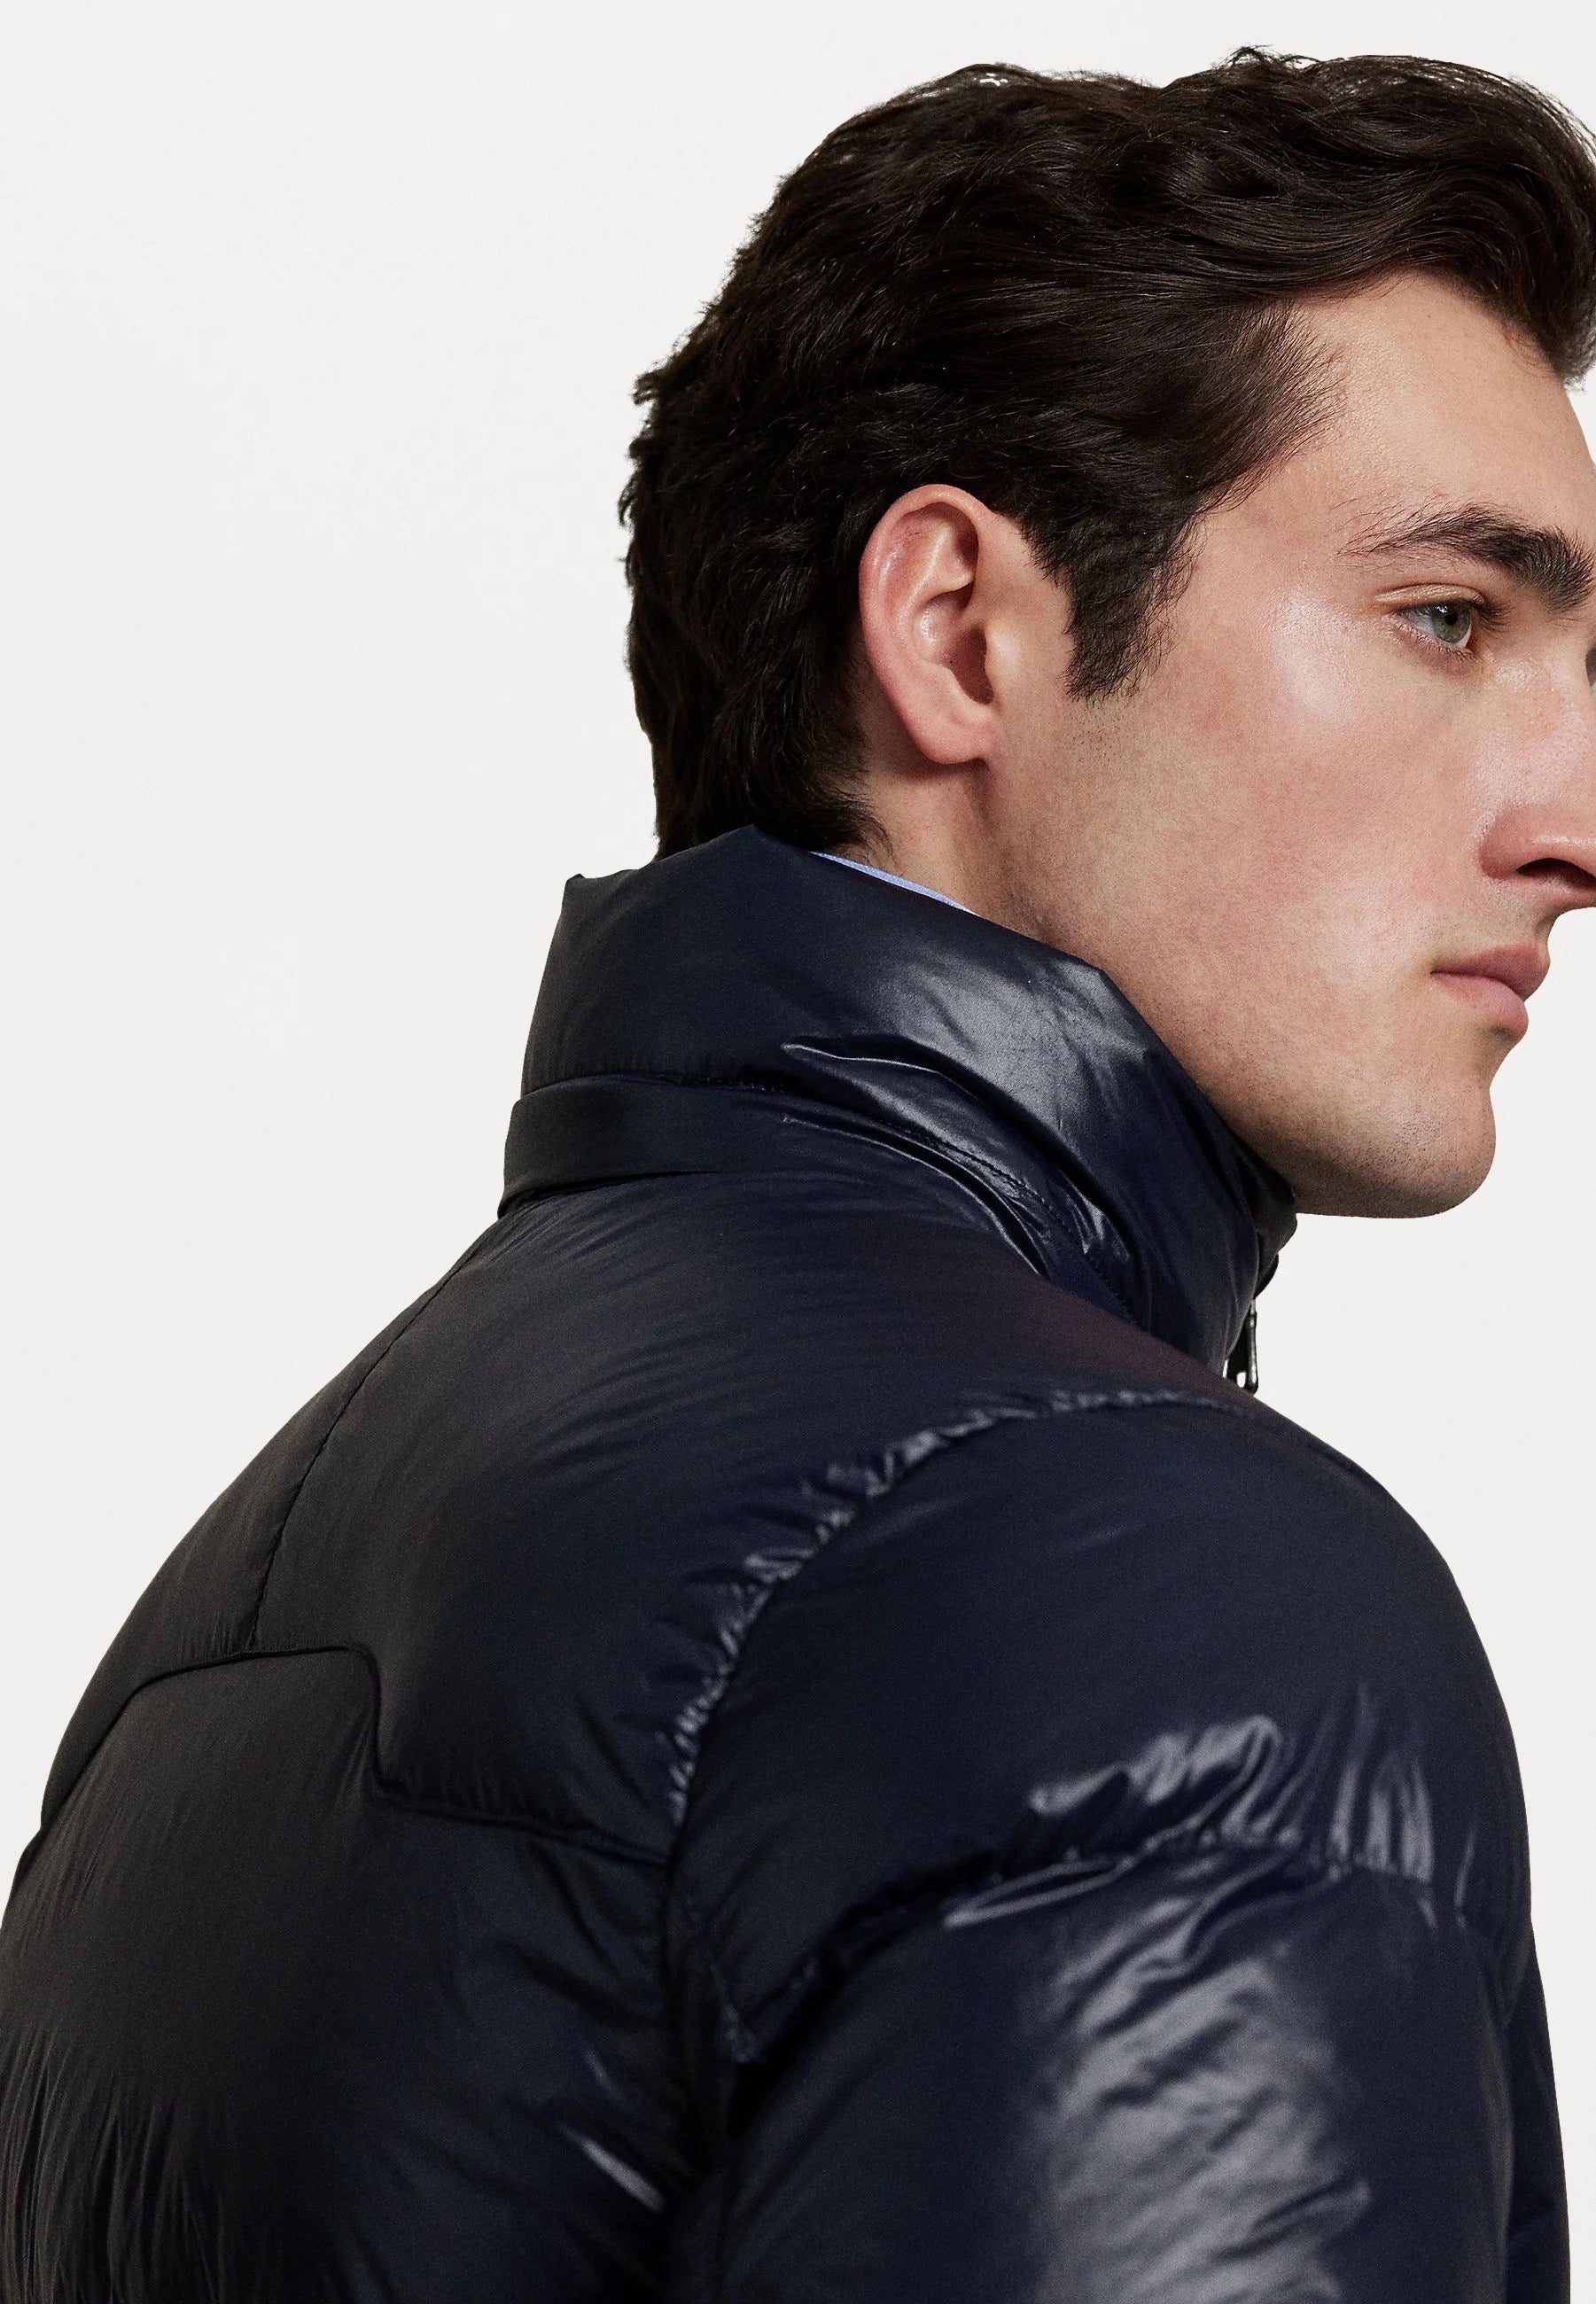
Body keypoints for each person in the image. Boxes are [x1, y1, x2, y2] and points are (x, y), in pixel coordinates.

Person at [2, 48, 1592, 2303]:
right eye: (1448, 620)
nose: (1572, 824)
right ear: (956, 630)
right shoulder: (1142, 1582)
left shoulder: (236, 1609)